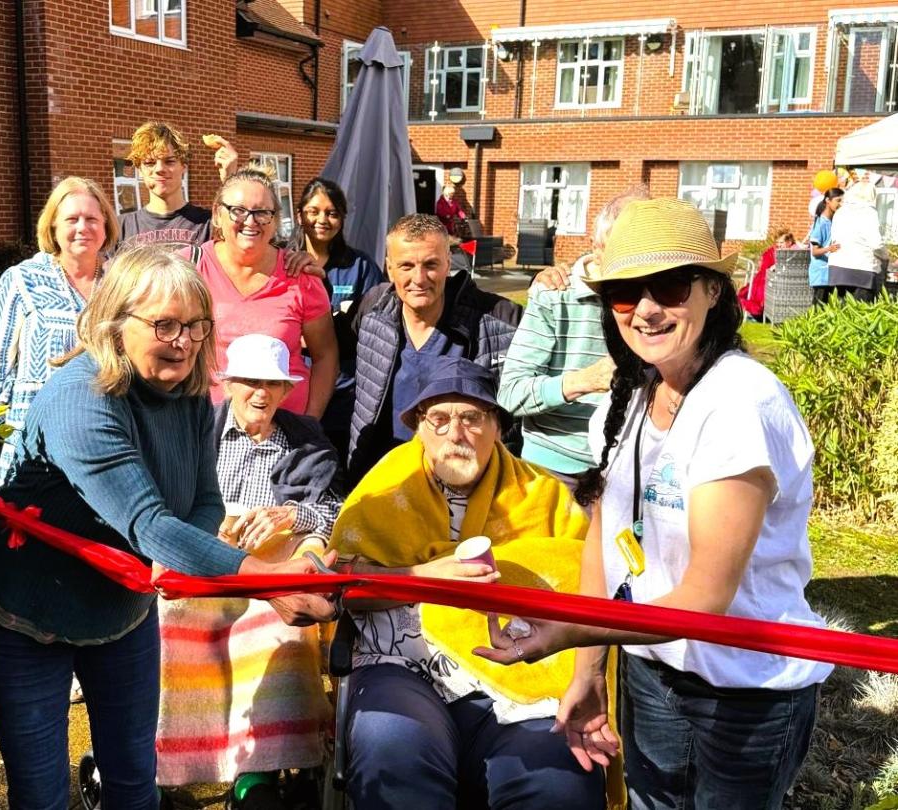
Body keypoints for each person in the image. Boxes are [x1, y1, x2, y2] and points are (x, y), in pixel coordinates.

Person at [475, 199, 831, 810]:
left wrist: (567, 632)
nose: (644, 309)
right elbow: (602, 543)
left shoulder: (737, 403)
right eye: (623, 292)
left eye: (667, 286)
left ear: (713, 292)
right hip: (651, 671)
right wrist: (589, 672)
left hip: (742, 688)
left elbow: (705, 599)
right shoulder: (632, 396)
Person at [0, 247, 338, 810]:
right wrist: (267, 578)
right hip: (28, 619)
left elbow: (204, 500)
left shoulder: (187, 391)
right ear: (116, 323)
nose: (184, 342)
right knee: (42, 795)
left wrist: (178, 558)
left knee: (136, 781)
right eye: (165, 324)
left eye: (195, 326)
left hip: (122, 610)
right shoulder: (80, 400)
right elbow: (149, 523)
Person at [327, 356, 607, 810]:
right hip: (402, 668)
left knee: (561, 777)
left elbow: (583, 581)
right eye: (439, 418)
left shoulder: (544, 495)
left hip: (520, 674)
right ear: (419, 427)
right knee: (395, 753)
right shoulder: (381, 492)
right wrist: (422, 578)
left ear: (497, 425)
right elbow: (337, 587)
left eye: (472, 417)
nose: (455, 433)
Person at [157, 333, 344, 810]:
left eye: (272, 384)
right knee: (172, 624)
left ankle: (257, 772)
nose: (260, 394)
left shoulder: (306, 438)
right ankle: (168, 764)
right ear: (228, 383)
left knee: (275, 633)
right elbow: (164, 504)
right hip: (203, 562)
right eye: (249, 382)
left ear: (286, 391)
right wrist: (208, 525)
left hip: (273, 564)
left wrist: (293, 516)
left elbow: (337, 511)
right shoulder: (197, 429)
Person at [348, 213, 520, 482]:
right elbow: (322, 349)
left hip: (461, 484)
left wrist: (551, 284)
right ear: (389, 268)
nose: (419, 278)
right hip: (380, 479)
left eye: (431, 264)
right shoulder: (371, 310)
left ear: (448, 264)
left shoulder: (499, 318)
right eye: (406, 266)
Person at [498, 188, 648, 487]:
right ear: (597, 247)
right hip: (556, 471)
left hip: (634, 468)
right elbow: (511, 394)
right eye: (622, 251)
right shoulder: (556, 294)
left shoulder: (655, 299)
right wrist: (584, 381)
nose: (631, 266)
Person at [0, 176, 119, 488]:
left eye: (92, 219)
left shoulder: (122, 282)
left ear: (106, 226)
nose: (83, 227)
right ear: (53, 227)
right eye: (72, 219)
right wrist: (0, 425)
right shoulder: (23, 280)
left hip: (104, 433)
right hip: (35, 435)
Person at [197, 164, 339, 418]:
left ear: (274, 221)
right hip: (208, 431)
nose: (250, 222)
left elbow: (325, 356)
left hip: (285, 431)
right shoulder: (190, 270)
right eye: (237, 211)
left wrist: (310, 420)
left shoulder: (300, 276)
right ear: (217, 215)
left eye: (262, 212)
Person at [291, 177, 385, 458]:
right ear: (300, 215)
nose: (323, 219)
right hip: (293, 389)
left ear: (342, 218)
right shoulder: (283, 262)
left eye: (332, 213)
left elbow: (376, 327)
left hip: (345, 391)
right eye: (314, 211)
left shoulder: (361, 266)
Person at [115, 121, 237, 250]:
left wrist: (231, 181)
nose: (160, 169)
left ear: (184, 166)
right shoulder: (121, 228)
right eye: (150, 162)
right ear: (140, 169)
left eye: (169, 161)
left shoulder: (209, 224)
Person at [829, 180, 885, 302]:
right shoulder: (869, 212)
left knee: (841, 312)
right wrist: (885, 256)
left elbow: (834, 238)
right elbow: (876, 244)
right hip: (862, 268)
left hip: (838, 268)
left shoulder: (840, 211)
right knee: (861, 313)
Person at [738, 227, 798, 321]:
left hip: (782, 281)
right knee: (758, 284)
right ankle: (758, 311)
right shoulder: (773, 252)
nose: (779, 245)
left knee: (761, 287)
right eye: (777, 243)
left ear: (789, 242)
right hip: (772, 277)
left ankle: (759, 311)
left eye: (781, 243)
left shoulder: (795, 252)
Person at [808, 187, 844, 305]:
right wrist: (830, 248)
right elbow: (815, 252)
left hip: (830, 273)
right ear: (828, 200)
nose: (840, 204)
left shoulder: (833, 222)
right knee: (819, 309)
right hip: (820, 274)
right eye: (838, 200)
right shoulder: (820, 223)